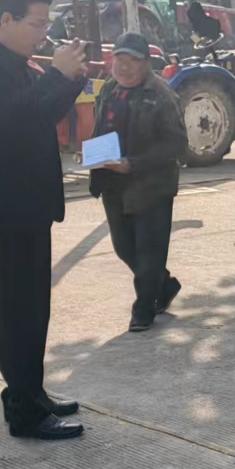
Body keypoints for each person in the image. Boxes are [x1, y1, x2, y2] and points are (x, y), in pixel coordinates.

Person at [0, 0, 89, 440]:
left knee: (33, 310)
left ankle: (31, 393)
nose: (43, 32)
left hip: (28, 207)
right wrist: (55, 75)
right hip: (5, 211)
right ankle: (24, 412)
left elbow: (39, 114)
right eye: (37, 23)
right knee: (16, 314)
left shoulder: (13, 63)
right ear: (6, 19)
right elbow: (11, 121)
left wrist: (70, 79)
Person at [89, 32, 187, 332]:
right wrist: (93, 156)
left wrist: (134, 163)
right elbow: (100, 127)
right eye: (119, 59)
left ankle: (143, 308)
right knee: (124, 247)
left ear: (146, 63)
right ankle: (164, 285)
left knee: (149, 250)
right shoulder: (109, 89)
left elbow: (176, 144)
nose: (125, 67)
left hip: (152, 185)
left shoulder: (162, 95)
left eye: (132, 61)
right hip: (113, 183)